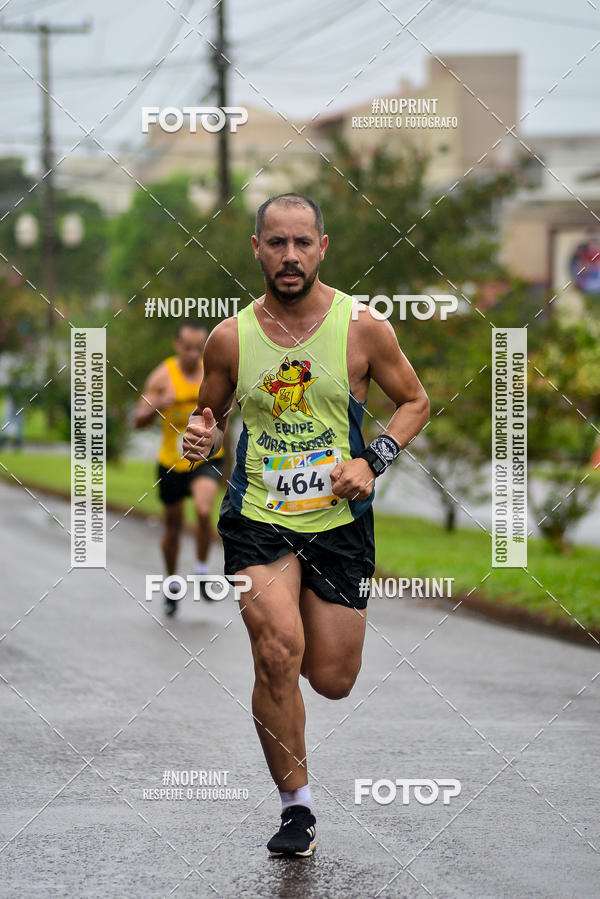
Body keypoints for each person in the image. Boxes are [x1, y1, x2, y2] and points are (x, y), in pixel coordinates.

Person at [182, 193, 429, 856]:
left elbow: (414, 400)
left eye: (301, 243)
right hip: (259, 517)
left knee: (332, 677)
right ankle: (298, 808)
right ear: (256, 248)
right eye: (276, 243)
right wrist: (201, 434)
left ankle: (291, 729)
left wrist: (374, 458)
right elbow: (211, 412)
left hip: (339, 522)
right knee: (276, 652)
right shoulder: (231, 337)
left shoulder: (363, 327)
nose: (289, 256)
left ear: (323, 248)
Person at [134, 322, 225, 615]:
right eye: (187, 347)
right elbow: (138, 420)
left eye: (199, 348)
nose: (193, 353)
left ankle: (200, 570)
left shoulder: (211, 374)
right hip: (170, 463)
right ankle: (172, 583)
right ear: (177, 346)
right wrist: (158, 403)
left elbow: (228, 410)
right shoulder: (162, 377)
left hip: (206, 458)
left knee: (202, 509)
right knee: (172, 529)